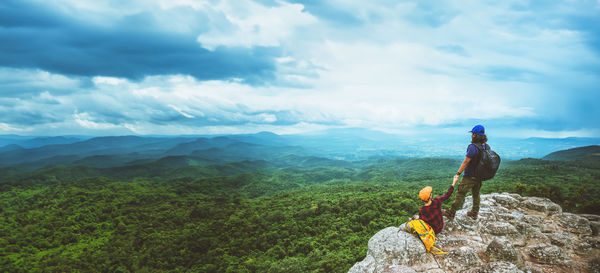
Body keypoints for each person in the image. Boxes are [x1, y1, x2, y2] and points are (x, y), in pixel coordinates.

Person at [444, 124, 488, 220]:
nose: (471, 135)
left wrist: (458, 173)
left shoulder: (473, 147)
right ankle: (474, 213)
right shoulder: (485, 146)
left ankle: (451, 212)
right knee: (476, 194)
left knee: (460, 193)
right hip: (479, 176)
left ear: (475, 135)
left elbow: (466, 162)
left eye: (472, 133)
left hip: (470, 176)